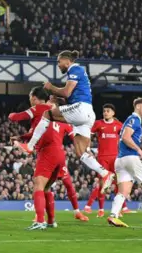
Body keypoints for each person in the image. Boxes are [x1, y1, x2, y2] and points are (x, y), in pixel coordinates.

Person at [16, 50, 115, 193]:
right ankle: (105, 174)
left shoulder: (74, 69)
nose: (58, 65)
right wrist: (59, 100)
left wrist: (51, 88)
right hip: (86, 113)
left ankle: (30, 146)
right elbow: (69, 97)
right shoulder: (78, 72)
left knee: (46, 114)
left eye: (59, 61)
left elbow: (67, 92)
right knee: (81, 153)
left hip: (81, 109)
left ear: (67, 61)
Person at [9, 88, 88, 230]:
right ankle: (51, 221)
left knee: (38, 186)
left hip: (47, 152)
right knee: (46, 188)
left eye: (30, 97)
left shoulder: (38, 108)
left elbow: (16, 117)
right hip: (60, 154)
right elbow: (38, 132)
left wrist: (11, 114)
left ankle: (40, 221)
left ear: (34, 98)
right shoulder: (60, 116)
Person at [107, 98, 142, 228]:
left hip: (121, 160)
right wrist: (138, 150)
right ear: (137, 107)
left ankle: (113, 216)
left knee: (123, 191)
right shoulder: (134, 119)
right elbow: (125, 137)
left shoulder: (137, 123)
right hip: (131, 157)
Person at [84, 104, 130, 217]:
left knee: (117, 182)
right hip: (102, 158)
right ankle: (100, 209)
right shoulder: (98, 124)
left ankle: (121, 208)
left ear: (113, 113)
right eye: (104, 111)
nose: (105, 113)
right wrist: (88, 148)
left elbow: (127, 136)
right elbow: (87, 135)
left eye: (108, 111)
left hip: (115, 158)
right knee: (103, 183)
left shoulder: (118, 125)